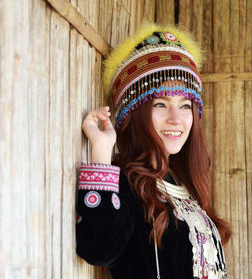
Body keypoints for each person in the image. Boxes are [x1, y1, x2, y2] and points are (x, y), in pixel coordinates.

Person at [76, 22, 232, 279]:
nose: (176, 119)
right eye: (161, 104)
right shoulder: (125, 183)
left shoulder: (185, 185)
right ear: (134, 112)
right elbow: (99, 249)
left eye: (185, 106)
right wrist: (102, 150)